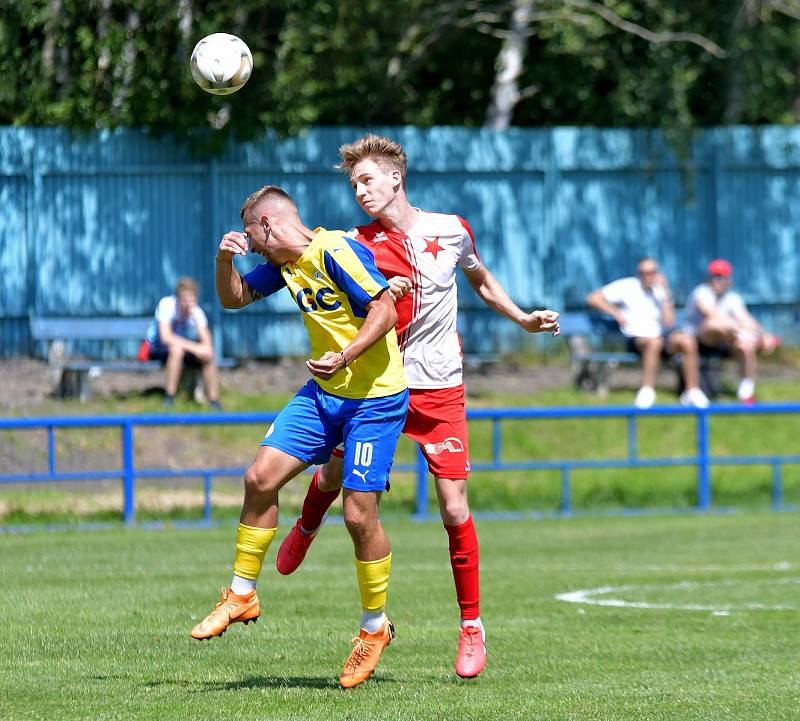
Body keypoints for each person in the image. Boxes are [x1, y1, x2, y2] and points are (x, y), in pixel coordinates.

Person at [273, 134, 561, 679]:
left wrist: (522, 317)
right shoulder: (353, 243)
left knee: (454, 508)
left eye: (367, 180)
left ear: (395, 179)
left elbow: (480, 279)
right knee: (333, 473)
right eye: (353, 183)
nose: (359, 191)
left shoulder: (450, 230)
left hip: (441, 389)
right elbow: (344, 294)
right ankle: (306, 528)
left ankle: (472, 627)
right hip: (380, 384)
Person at [190, 185, 409, 690]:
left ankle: (374, 629)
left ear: (268, 225)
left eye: (250, 235)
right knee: (259, 478)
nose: (252, 245)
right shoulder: (287, 265)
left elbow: (385, 309)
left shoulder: (334, 251)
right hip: (324, 393)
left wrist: (346, 355)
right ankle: (242, 593)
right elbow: (235, 299)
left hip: (375, 398)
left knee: (358, 514)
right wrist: (224, 261)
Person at [586, 258, 709, 409]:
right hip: (636, 338)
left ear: (657, 273)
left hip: (661, 336)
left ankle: (692, 391)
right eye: (643, 273)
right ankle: (647, 391)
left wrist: (665, 295)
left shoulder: (660, 292)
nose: (647, 276)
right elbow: (593, 298)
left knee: (687, 341)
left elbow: (669, 322)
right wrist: (616, 313)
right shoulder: (626, 286)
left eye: (651, 272)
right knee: (653, 342)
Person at [684, 258, 779, 403]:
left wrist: (764, 334)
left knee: (744, 346)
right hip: (697, 341)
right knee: (714, 324)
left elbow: (746, 318)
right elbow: (712, 316)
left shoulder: (733, 298)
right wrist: (743, 331)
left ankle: (746, 392)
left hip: (726, 341)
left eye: (721, 277)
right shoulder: (701, 292)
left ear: (729, 280)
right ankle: (691, 392)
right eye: (715, 276)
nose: (718, 281)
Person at [142, 276, 222, 409]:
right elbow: (165, 337)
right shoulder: (167, 305)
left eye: (191, 299)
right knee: (176, 349)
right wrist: (196, 348)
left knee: (208, 355)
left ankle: (214, 401)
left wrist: (196, 319)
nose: (188, 303)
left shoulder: (197, 312)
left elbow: (207, 344)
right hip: (158, 347)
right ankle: (169, 398)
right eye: (184, 299)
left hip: (185, 349)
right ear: (178, 297)